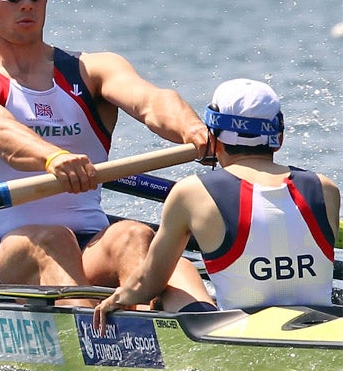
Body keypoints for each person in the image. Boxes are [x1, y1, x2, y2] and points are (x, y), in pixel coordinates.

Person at [0, 0, 211, 304]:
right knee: (54, 240)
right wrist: (52, 158)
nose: (26, 2)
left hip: (88, 244)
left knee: (133, 235)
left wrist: (193, 130)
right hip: (0, 252)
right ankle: (99, 342)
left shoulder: (92, 69)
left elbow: (153, 101)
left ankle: (177, 332)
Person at [94, 80, 338, 329]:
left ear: (212, 136)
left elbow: (148, 285)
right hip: (324, 325)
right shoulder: (324, 188)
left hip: (242, 332)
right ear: (279, 137)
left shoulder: (192, 192)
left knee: (178, 267)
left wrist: (118, 298)